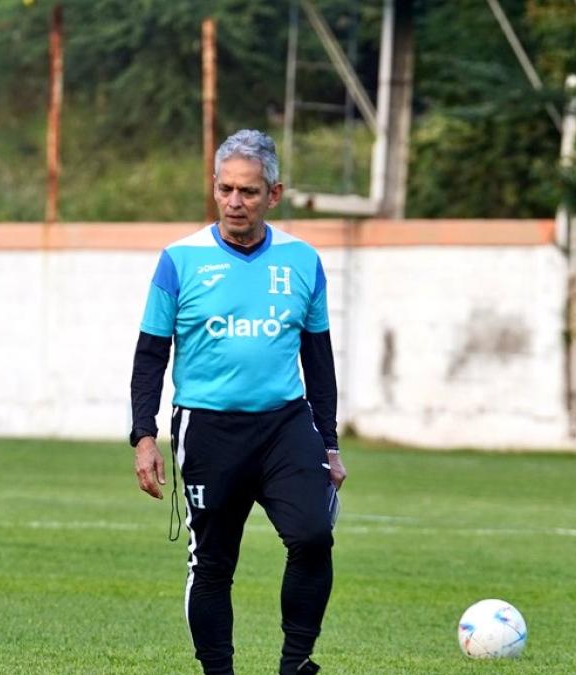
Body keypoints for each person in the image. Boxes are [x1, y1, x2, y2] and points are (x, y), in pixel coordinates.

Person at [129, 129, 347, 675]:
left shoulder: (302, 261)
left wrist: (332, 443)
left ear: (274, 194)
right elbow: (151, 354)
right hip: (207, 428)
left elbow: (318, 361)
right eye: (225, 189)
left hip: (285, 425)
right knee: (214, 564)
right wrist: (144, 436)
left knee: (314, 535)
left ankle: (296, 663)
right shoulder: (180, 261)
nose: (234, 202)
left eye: (248, 191)